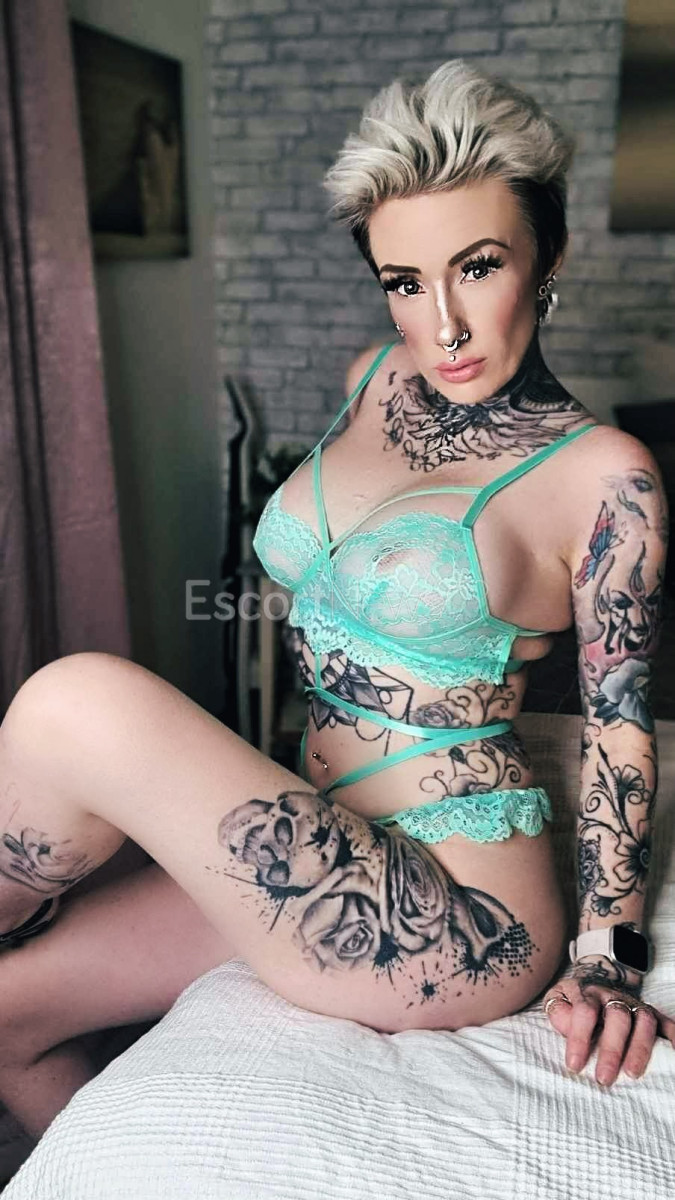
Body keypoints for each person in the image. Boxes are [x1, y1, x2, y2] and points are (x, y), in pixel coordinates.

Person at [0, 60, 672, 1144]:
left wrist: (609, 957)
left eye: (478, 267)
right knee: (6, 1013)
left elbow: (619, 731)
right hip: (318, 833)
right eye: (404, 281)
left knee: (78, 702)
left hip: (459, 912)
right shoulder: (375, 379)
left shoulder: (604, 477)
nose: (443, 325)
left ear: (547, 255)